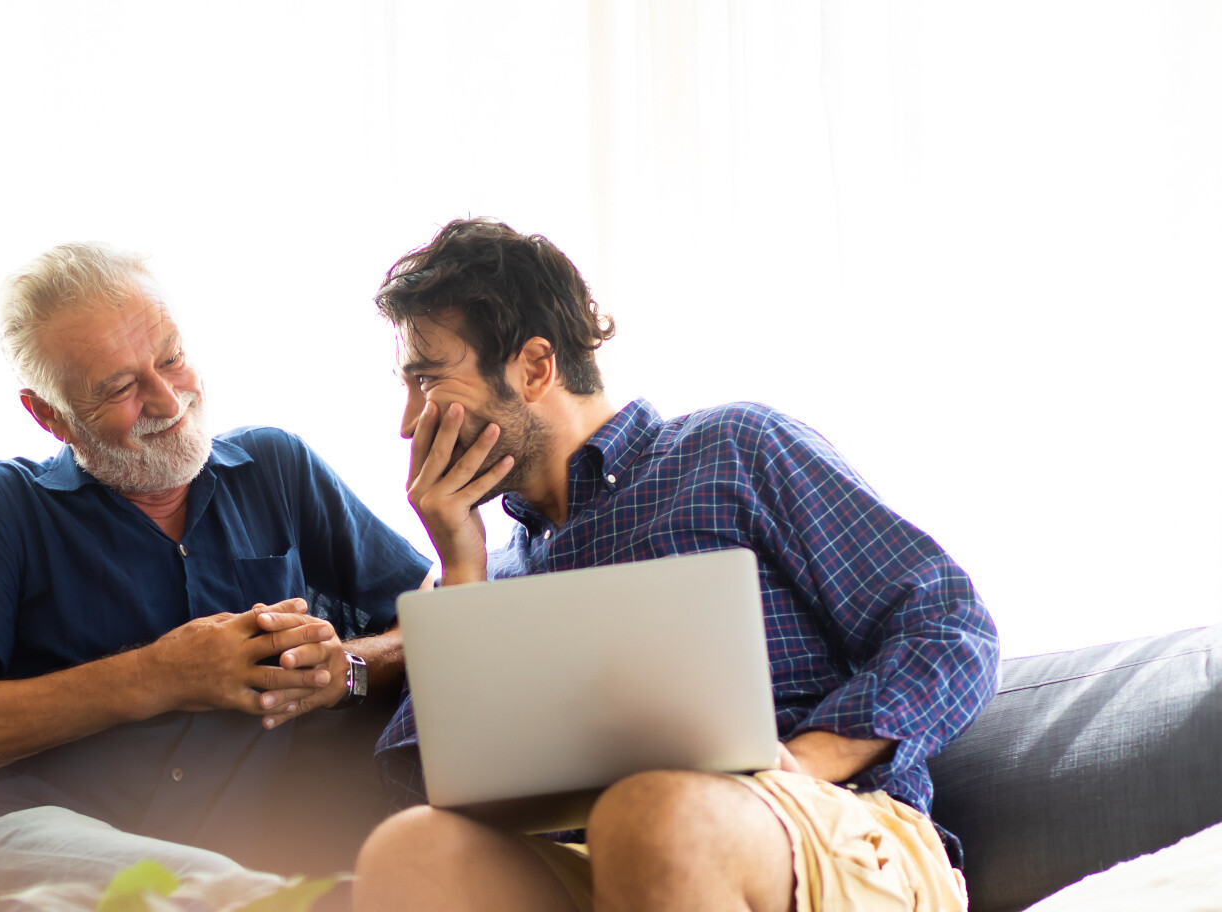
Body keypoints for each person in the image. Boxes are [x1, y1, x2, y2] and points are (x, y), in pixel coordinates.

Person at [350, 219, 1000, 912]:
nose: (408, 423)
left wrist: (806, 759)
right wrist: (461, 569)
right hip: (602, 864)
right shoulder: (493, 573)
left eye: (427, 380)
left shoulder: (734, 450)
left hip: (823, 829)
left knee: (654, 813)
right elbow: (435, 795)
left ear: (535, 367)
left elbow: (951, 626)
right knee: (412, 850)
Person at [0, 243, 432, 911]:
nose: (167, 398)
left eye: (169, 358)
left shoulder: (275, 468)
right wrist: (160, 674)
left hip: (229, 863)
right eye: (119, 387)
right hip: (11, 833)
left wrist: (344, 668)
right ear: (49, 415)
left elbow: (434, 625)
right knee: (217, 892)